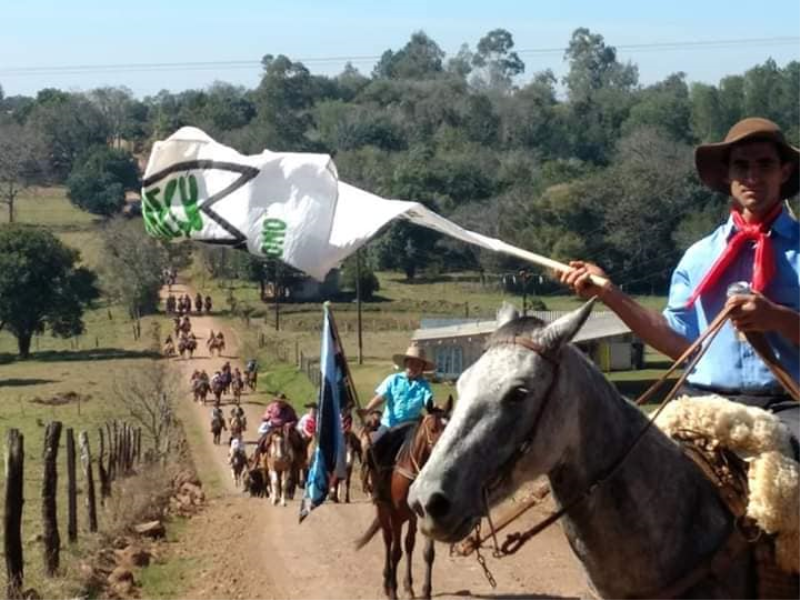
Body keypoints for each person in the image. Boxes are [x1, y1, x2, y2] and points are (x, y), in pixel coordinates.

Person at [560, 117, 800, 455]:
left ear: (784, 172)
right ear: (727, 175)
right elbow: (680, 345)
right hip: (704, 399)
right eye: (741, 166)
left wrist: (776, 318)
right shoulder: (698, 256)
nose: (752, 177)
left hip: (788, 405)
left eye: (765, 164)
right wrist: (608, 293)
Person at [359, 344, 435, 470]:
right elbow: (381, 397)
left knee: (426, 453)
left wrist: (432, 405)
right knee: (370, 448)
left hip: (410, 429)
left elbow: (428, 399)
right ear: (406, 364)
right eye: (412, 363)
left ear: (422, 368)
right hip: (389, 425)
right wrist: (367, 410)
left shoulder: (424, 385)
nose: (414, 367)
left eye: (418, 365)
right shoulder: (393, 379)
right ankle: (369, 475)